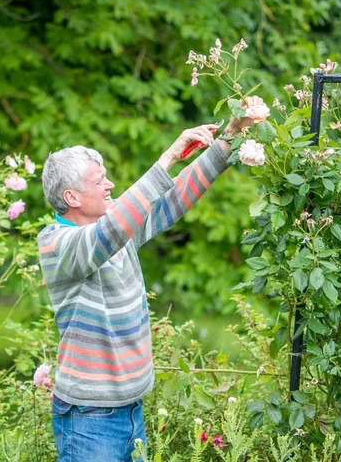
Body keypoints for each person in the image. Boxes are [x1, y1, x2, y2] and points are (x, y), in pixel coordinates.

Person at [38, 115, 252, 461]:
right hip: (89, 420)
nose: (109, 186)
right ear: (71, 197)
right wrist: (168, 157)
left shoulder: (114, 225)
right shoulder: (57, 243)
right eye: (99, 181)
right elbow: (108, 234)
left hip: (131, 412)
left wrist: (229, 137)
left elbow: (173, 199)